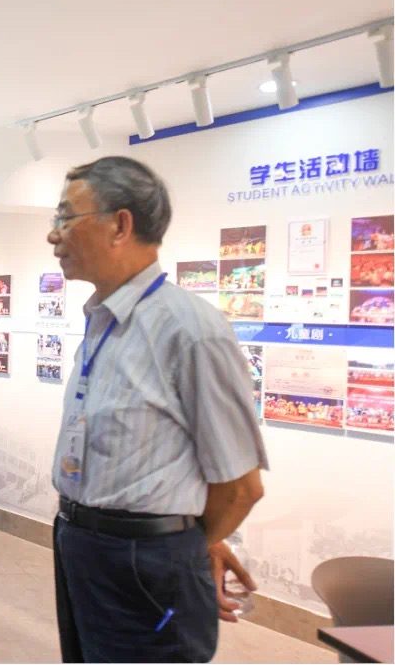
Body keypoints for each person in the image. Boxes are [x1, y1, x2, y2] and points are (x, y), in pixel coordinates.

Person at [46, 156, 267, 663]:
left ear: (120, 225)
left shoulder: (191, 331)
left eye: (66, 217)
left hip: (144, 562)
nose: (53, 234)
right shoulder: (102, 323)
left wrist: (186, 547)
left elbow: (241, 487)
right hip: (81, 543)